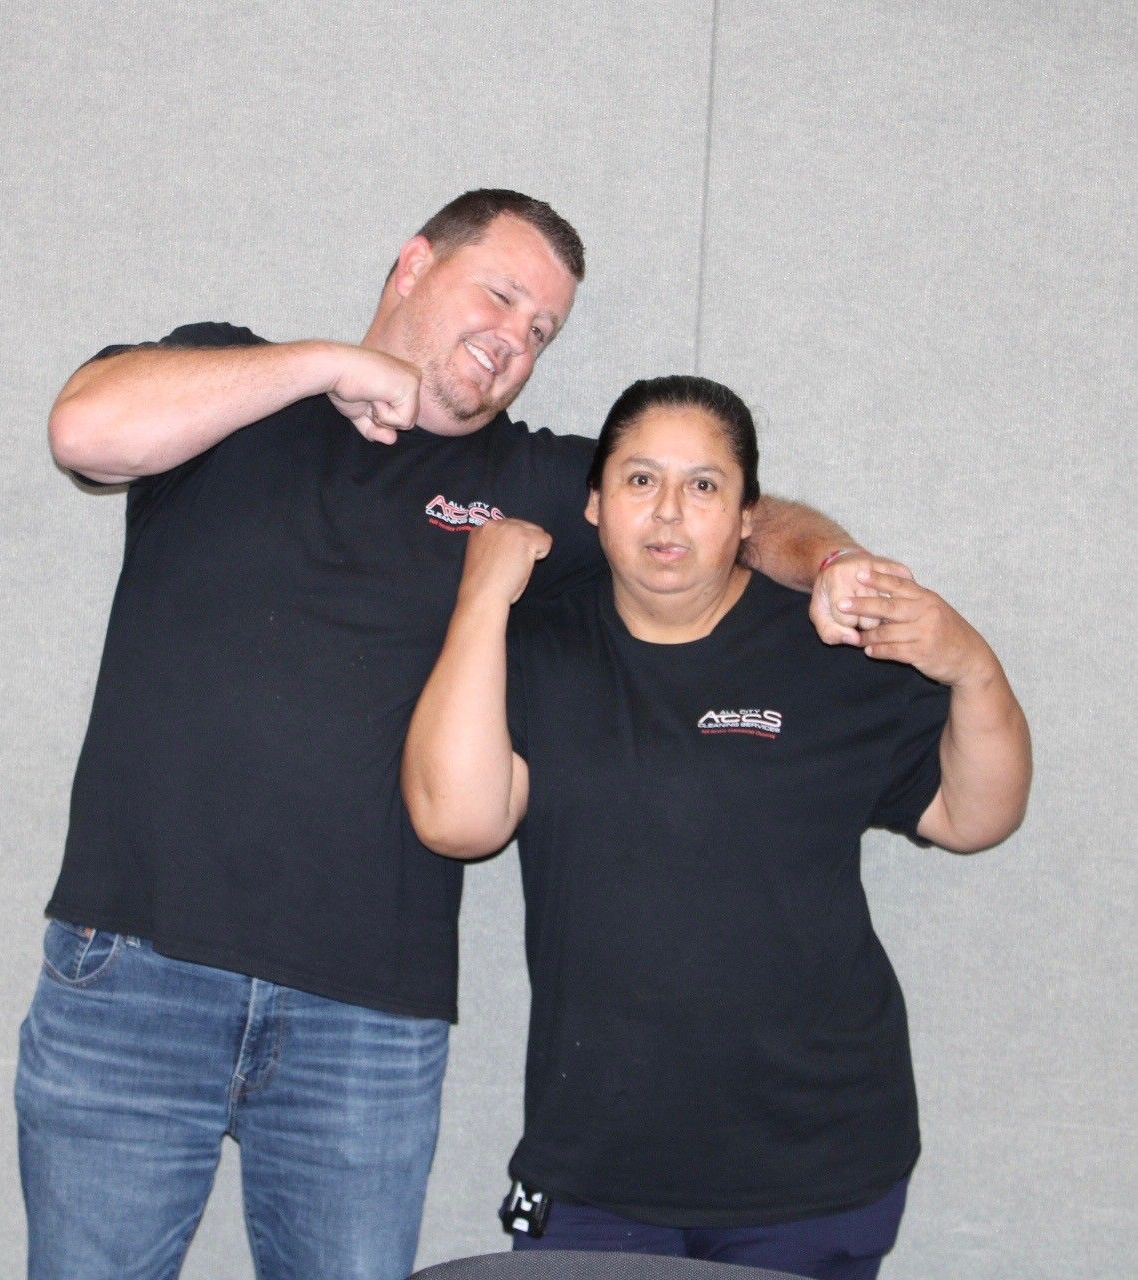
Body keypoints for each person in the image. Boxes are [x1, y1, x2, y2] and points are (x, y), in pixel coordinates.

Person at [17, 191, 893, 1280]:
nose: (515, 340)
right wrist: (322, 366)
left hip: (363, 1017)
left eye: (543, 332)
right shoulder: (232, 378)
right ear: (414, 261)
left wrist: (834, 558)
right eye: (503, 294)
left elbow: (730, 519)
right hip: (137, 973)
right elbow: (85, 430)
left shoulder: (522, 482)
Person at [402, 375, 1032, 1280]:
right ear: (593, 504)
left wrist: (972, 668)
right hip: (598, 1165)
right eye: (638, 479)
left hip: (815, 1161)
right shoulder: (533, 646)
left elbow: (975, 816)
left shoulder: (825, 654)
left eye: (703, 486)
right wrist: (481, 600)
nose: (668, 512)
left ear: (745, 517)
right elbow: (456, 822)